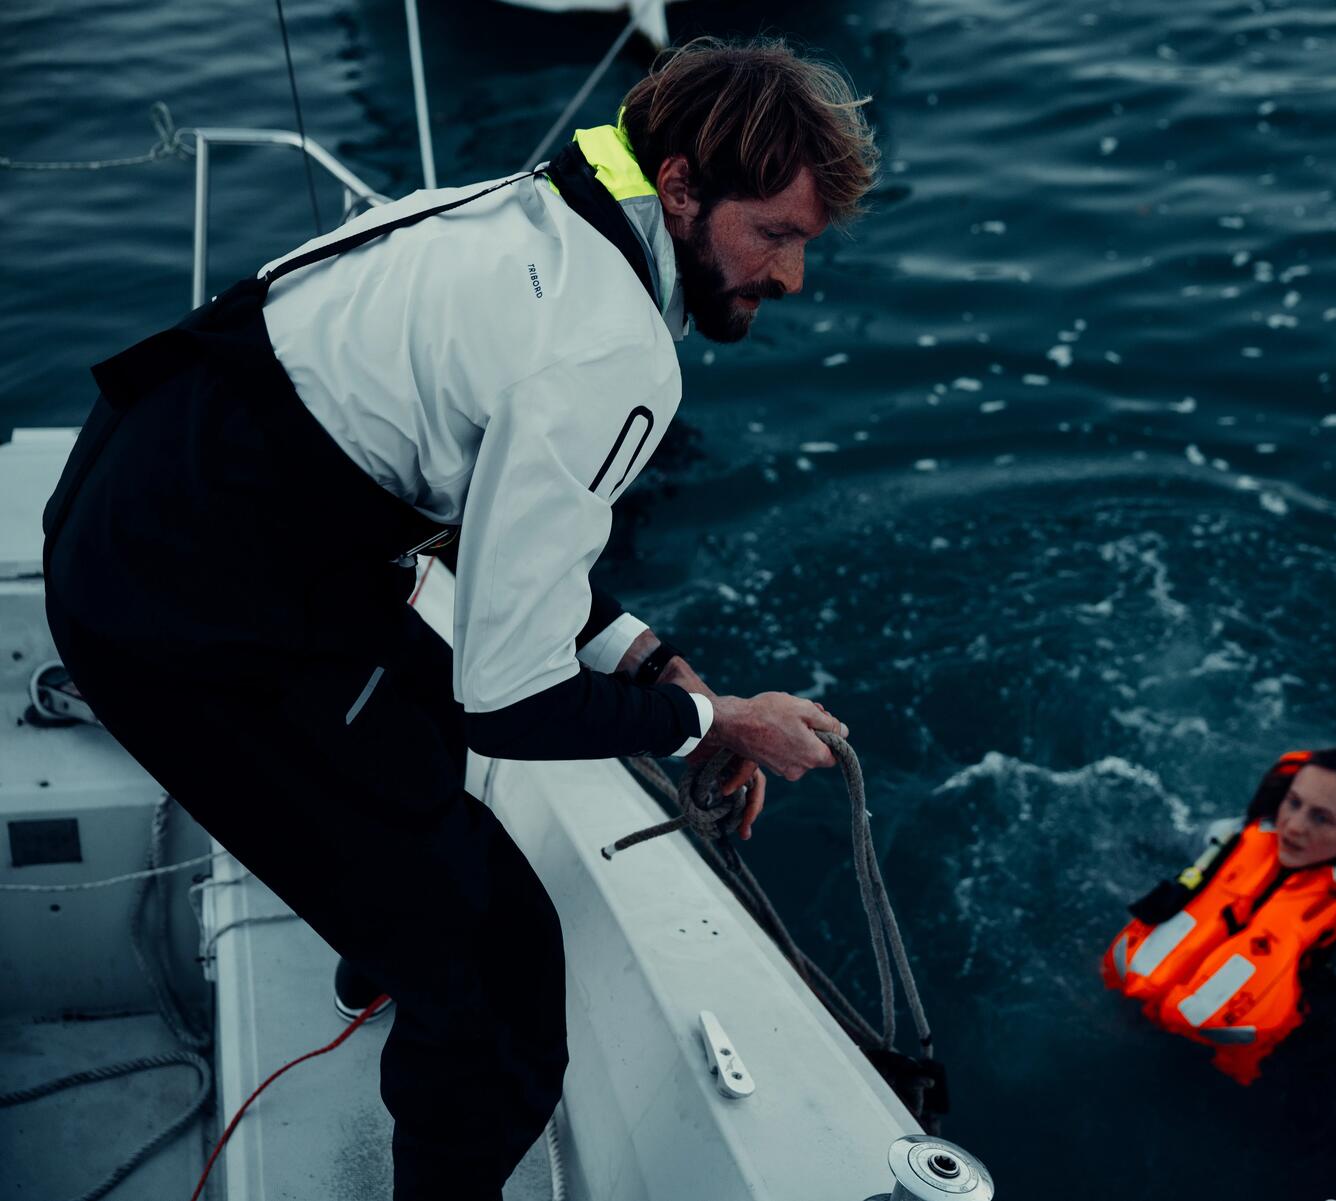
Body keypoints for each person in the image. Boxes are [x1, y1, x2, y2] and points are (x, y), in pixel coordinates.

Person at [40, 37, 878, 1200]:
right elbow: (515, 705)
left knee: (420, 724)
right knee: (503, 980)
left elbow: (492, 544)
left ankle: (381, 947)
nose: (791, 276)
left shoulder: (527, 208)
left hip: (139, 489)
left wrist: (652, 661)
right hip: (178, 611)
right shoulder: (608, 348)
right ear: (682, 187)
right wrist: (715, 720)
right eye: (776, 234)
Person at [1101, 749, 1336, 1083]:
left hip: (1270, 1048)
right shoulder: (1228, 839)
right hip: (1166, 1008)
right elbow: (1155, 840)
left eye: (1321, 818)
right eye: (1294, 803)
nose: (1294, 826)